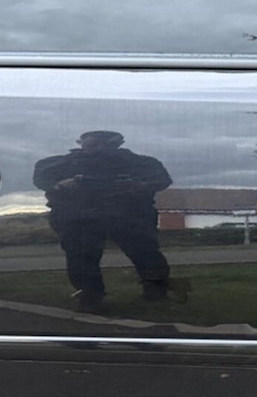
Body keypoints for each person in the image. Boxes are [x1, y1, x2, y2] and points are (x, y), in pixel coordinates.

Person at [33, 131, 173, 311]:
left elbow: (163, 180)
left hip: (129, 214)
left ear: (117, 144)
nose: (97, 148)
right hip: (79, 216)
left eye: (103, 144)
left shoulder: (141, 162)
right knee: (81, 257)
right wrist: (60, 185)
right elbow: (41, 179)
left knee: (145, 252)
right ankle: (90, 296)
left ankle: (156, 292)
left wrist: (140, 185)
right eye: (92, 143)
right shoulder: (58, 163)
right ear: (80, 143)